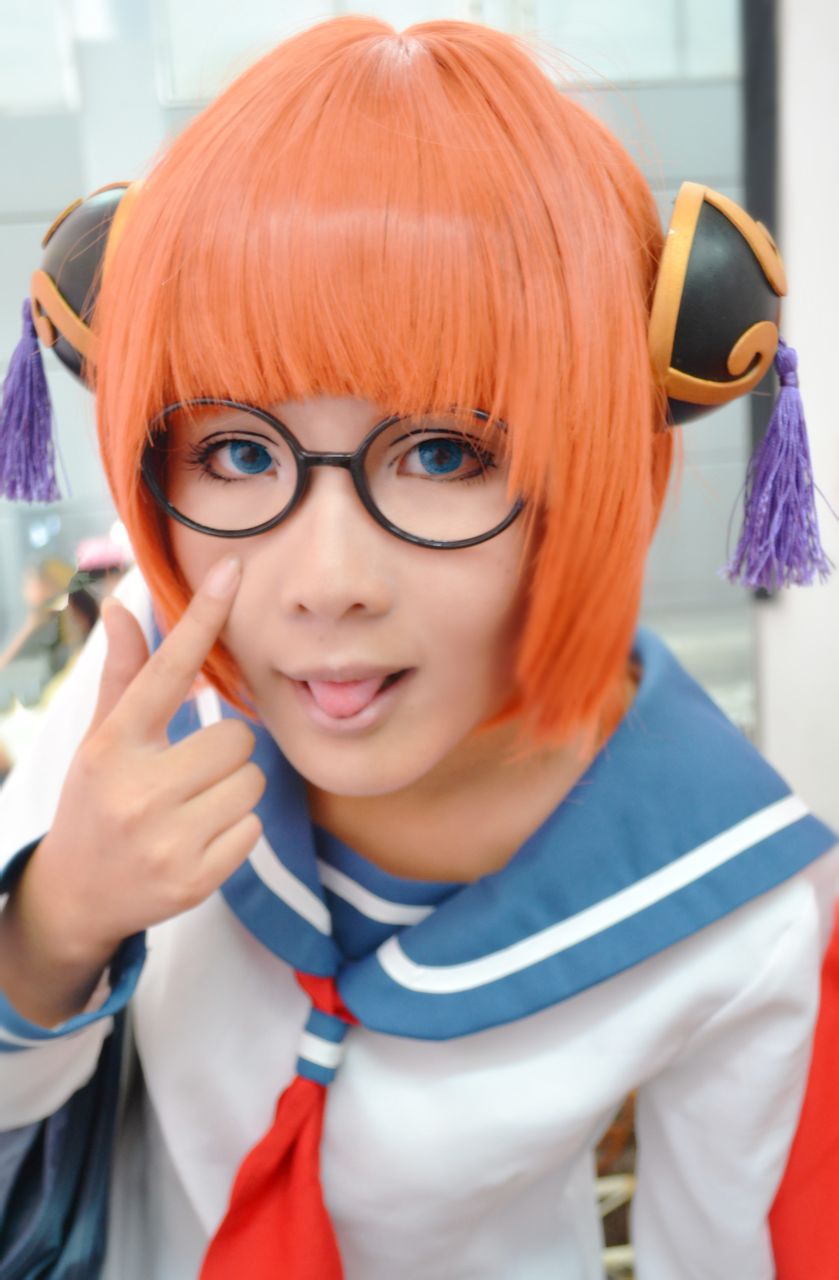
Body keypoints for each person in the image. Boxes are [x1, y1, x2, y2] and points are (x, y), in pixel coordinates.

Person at [0, 17, 836, 1280]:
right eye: (237, 449)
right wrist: (59, 916)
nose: (326, 584)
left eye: (445, 452)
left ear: (591, 460)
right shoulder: (139, 699)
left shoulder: (736, 894)